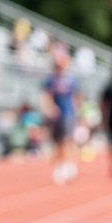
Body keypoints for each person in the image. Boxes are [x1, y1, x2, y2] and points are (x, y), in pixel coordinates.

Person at [40, 46, 79, 183]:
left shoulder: (70, 79)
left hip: (68, 113)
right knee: (58, 142)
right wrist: (49, 108)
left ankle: (67, 165)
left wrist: (77, 112)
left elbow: (76, 97)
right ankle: (62, 164)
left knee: (67, 140)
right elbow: (46, 96)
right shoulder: (50, 80)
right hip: (56, 116)